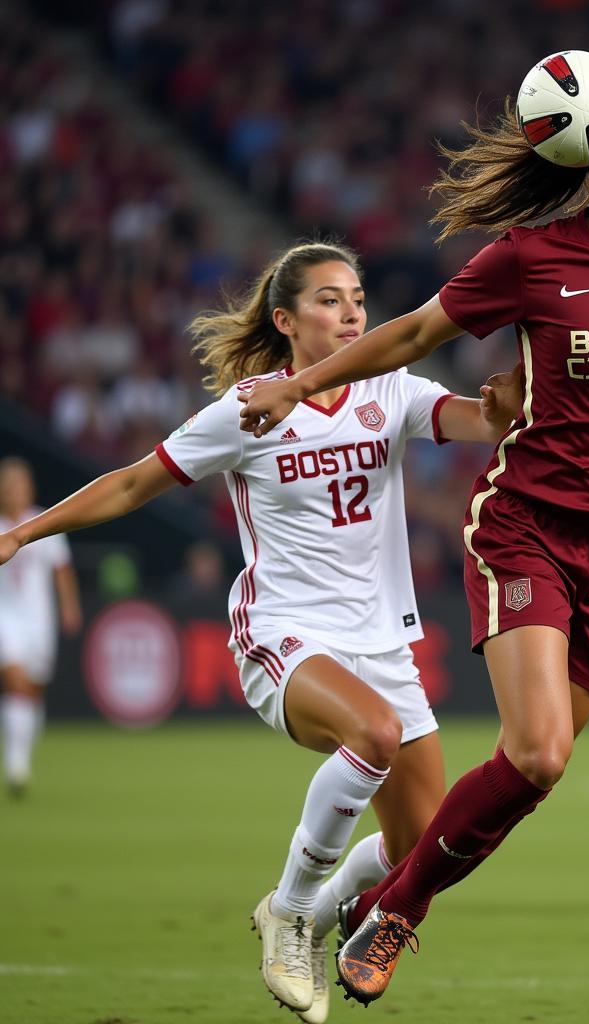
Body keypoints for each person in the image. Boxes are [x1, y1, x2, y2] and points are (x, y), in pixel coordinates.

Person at [236, 63, 589, 1005]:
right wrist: (300, 385)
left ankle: (379, 903)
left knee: (533, 775)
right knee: (538, 749)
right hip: (528, 528)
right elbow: (416, 334)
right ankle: (398, 918)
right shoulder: (533, 260)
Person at [0, 241, 522, 1023]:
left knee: (427, 846)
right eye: (329, 300)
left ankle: (316, 913)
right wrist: (21, 534)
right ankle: (290, 908)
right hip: (284, 635)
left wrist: (507, 409)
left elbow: (478, 421)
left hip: (382, 641)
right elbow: (136, 481)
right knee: (373, 734)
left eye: (357, 297)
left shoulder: (389, 387)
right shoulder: (248, 409)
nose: (351, 312)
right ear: (285, 320)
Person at [0, 457, 82, 796]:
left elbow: (61, 570)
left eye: (21, 484)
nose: (16, 491)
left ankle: (22, 757)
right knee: (16, 680)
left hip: (38, 617)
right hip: (5, 614)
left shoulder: (44, 522)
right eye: (10, 486)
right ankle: (16, 767)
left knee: (32, 689)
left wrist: (69, 607)